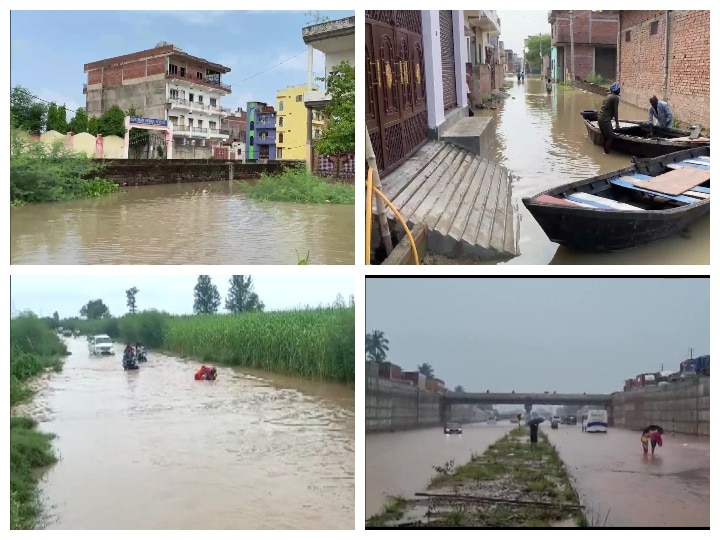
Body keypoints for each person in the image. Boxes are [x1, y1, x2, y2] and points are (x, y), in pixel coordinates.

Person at [598, 82, 621, 154]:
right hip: (605, 120)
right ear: (615, 90)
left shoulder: (608, 96)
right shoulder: (615, 98)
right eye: (619, 89)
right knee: (611, 137)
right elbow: (615, 111)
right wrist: (617, 123)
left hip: (600, 118)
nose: (620, 90)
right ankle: (606, 154)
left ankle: (604, 153)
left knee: (606, 137)